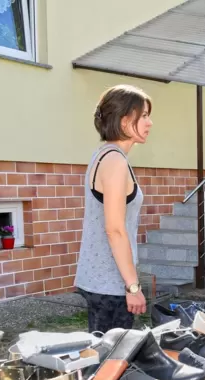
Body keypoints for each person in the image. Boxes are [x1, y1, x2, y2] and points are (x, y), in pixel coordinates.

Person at [75, 85, 153, 334]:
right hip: (109, 284)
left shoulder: (105, 155)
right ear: (124, 119)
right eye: (143, 116)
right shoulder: (115, 161)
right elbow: (115, 229)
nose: (149, 123)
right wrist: (132, 287)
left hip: (103, 280)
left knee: (104, 360)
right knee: (110, 364)